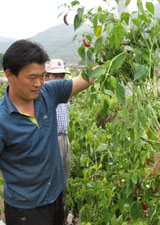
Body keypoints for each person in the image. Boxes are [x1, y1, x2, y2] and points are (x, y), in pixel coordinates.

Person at [0, 39, 93, 225]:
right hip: (26, 208)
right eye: (32, 77)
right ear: (10, 75)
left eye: (42, 76)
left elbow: (86, 78)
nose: (38, 84)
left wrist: (117, 57)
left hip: (56, 195)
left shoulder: (47, 94)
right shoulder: (3, 119)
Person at [45, 59, 71, 181]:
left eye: (62, 76)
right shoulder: (43, 96)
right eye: (56, 76)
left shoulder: (65, 95)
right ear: (46, 78)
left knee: (65, 174)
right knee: (53, 177)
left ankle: (62, 199)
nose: (60, 80)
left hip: (64, 138)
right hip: (52, 140)